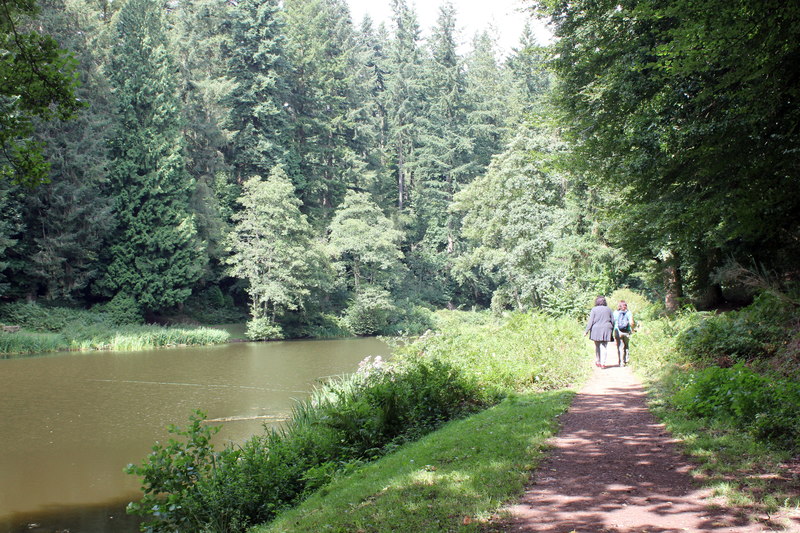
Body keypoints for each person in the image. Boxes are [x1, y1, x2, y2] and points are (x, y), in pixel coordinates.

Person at [584, 296, 614, 368]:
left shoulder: (594, 309)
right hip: (606, 329)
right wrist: (611, 329)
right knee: (604, 346)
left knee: (597, 346)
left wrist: (586, 331)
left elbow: (590, 321)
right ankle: (603, 363)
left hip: (596, 330)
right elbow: (613, 321)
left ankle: (598, 361)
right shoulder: (609, 309)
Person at [613, 300, 635, 367]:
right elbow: (631, 323)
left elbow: (612, 322)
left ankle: (621, 362)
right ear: (626, 306)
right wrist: (633, 329)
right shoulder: (628, 313)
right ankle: (626, 360)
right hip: (626, 331)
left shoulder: (615, 312)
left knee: (620, 347)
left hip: (617, 331)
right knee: (626, 346)